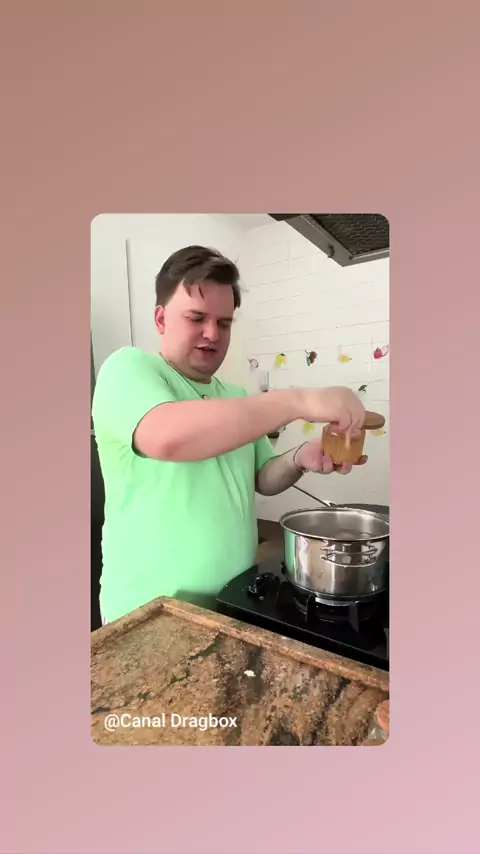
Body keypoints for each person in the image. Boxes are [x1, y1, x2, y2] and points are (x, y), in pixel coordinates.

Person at [92, 245, 367, 624]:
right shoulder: (127, 368)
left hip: (233, 600)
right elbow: (166, 436)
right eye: (196, 318)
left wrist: (299, 457)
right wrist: (300, 400)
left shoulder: (234, 395)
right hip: (150, 612)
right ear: (160, 318)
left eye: (224, 323)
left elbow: (260, 478)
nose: (212, 334)